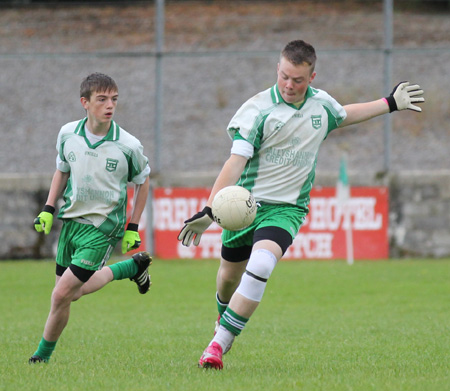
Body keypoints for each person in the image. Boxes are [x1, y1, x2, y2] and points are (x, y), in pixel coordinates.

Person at [177, 40, 424, 370]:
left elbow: (344, 114)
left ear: (312, 76)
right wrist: (210, 211)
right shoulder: (256, 110)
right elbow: (235, 162)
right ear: (277, 70)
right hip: (245, 207)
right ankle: (224, 318)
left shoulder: (321, 105)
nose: (289, 85)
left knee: (262, 265)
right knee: (226, 279)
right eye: (284, 77)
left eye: (298, 80)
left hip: (286, 209)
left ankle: (217, 345)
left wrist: (389, 103)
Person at [29, 72, 152, 364]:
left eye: (114, 99)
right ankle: (130, 268)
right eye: (102, 99)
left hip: (103, 228)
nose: (110, 105)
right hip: (71, 224)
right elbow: (62, 170)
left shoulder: (128, 145)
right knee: (71, 294)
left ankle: (40, 358)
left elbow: (143, 182)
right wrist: (48, 208)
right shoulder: (68, 134)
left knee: (60, 295)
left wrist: (132, 226)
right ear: (84, 102)